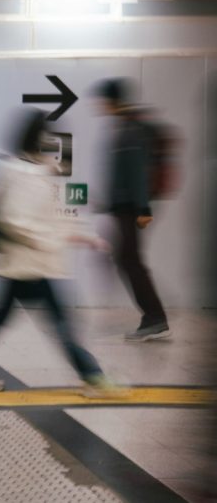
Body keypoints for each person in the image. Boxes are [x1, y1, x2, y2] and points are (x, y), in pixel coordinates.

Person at [0, 109, 118, 397]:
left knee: (0, 318)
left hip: (20, 263)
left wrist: (81, 236)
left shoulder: (21, 168)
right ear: (40, 140)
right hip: (29, 264)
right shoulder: (26, 174)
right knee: (60, 322)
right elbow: (17, 221)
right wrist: (51, 241)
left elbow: (45, 218)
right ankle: (92, 376)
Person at [95, 78, 169, 342]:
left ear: (111, 101)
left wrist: (143, 208)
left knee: (130, 261)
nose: (98, 106)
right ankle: (154, 315)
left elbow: (137, 173)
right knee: (128, 260)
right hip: (124, 208)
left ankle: (154, 316)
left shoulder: (131, 131)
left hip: (132, 210)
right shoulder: (124, 127)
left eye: (102, 100)